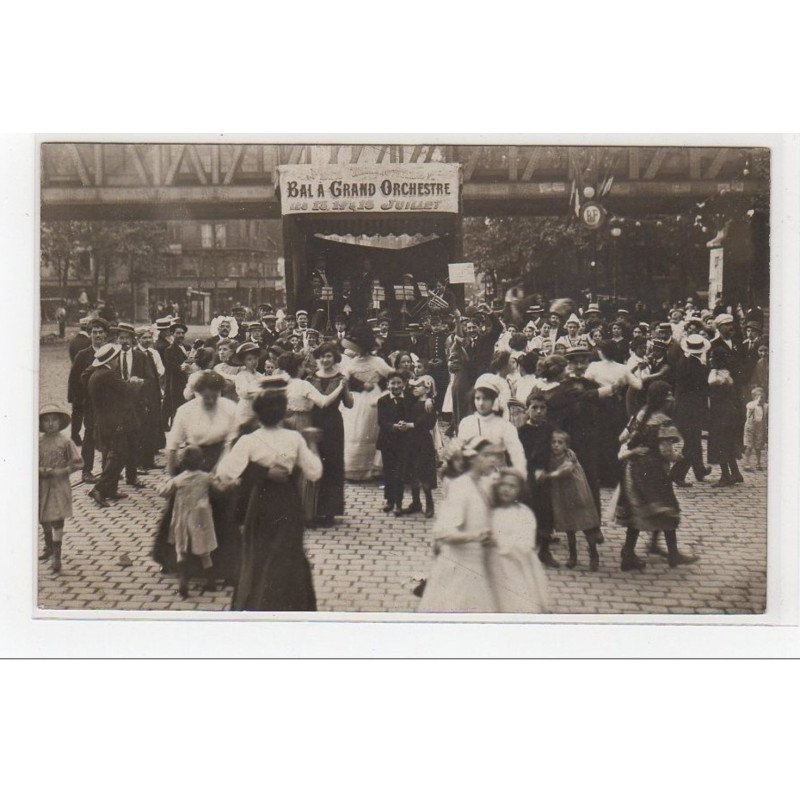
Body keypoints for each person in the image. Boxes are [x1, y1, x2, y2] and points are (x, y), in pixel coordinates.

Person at [215, 381, 322, 611]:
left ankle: (258, 604)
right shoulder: (295, 438)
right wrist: (312, 445)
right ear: (285, 411)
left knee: (259, 554)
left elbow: (224, 473)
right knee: (287, 553)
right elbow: (314, 473)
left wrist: (258, 471)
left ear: (257, 412)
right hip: (289, 503)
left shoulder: (249, 441)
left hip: (260, 503)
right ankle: (290, 606)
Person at [152, 370, 239, 584]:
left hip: (221, 458)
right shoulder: (185, 411)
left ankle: (224, 564)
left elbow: (231, 442)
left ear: (220, 393)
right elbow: (172, 445)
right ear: (196, 393)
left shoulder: (230, 408)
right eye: (205, 396)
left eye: (214, 396)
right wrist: (171, 472)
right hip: (193, 459)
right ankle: (173, 559)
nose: (210, 400)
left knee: (222, 509)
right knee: (181, 511)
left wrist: (220, 469)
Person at [417, 438, 502, 613]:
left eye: (495, 455)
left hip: (479, 565)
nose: (493, 460)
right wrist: (476, 536)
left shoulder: (483, 484)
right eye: (486, 455)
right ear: (472, 458)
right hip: (459, 568)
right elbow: (443, 532)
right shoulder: (461, 486)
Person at [616, 414, 696, 570]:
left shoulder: (638, 415)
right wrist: (677, 457)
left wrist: (635, 450)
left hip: (633, 470)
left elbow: (622, 437)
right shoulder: (663, 421)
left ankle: (630, 551)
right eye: (668, 395)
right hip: (654, 471)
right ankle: (672, 555)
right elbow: (666, 451)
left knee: (639, 509)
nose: (671, 398)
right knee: (667, 509)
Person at [278, 350, 347, 525]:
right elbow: (323, 402)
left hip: (286, 422)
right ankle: (307, 513)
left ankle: (290, 511)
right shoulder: (303, 385)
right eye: (302, 365)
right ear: (298, 367)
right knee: (307, 465)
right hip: (303, 423)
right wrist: (340, 387)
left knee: (291, 465)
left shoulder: (282, 383)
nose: (304, 368)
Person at [86, 344, 144, 507]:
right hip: (114, 422)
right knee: (118, 454)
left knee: (116, 454)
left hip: (105, 421)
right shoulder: (108, 374)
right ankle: (99, 488)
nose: (118, 360)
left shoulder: (98, 374)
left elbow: (114, 393)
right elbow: (126, 391)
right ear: (111, 360)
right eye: (116, 357)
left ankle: (111, 489)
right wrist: (135, 383)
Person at [484, 469, 550, 612]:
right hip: (493, 567)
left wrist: (499, 542)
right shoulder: (491, 513)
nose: (507, 489)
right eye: (503, 485)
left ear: (520, 491)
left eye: (512, 486)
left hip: (516, 567)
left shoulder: (524, 513)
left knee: (516, 602)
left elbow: (526, 544)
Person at [157, 445, 218, 598]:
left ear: (181, 464)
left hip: (182, 518)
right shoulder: (206, 477)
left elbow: (163, 492)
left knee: (181, 549)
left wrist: (163, 482)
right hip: (201, 518)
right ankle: (210, 580)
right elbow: (219, 487)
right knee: (205, 551)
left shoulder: (178, 480)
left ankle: (183, 580)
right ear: (202, 461)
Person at [537, 430, 601, 571]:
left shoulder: (570, 456)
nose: (556, 445)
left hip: (577, 495)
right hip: (563, 497)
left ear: (566, 445)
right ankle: (573, 556)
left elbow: (564, 471)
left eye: (560, 442)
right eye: (553, 442)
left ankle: (594, 554)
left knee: (586, 525)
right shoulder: (549, 456)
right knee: (569, 527)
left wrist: (547, 476)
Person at [586, 339, 643, 487]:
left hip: (598, 405)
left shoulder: (594, 366)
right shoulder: (623, 368)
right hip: (616, 406)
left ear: (601, 352)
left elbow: (585, 383)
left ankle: (599, 475)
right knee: (614, 440)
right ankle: (612, 476)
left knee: (599, 439)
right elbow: (638, 384)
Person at [309, 342, 353, 526]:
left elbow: (349, 404)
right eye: (323, 356)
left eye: (329, 356)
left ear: (335, 358)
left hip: (333, 424)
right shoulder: (310, 378)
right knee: (315, 463)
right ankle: (314, 509)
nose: (326, 360)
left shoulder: (341, 378)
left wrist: (346, 389)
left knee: (333, 464)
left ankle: (330, 511)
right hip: (314, 423)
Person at [340, 325, 392, 481]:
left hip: (372, 400)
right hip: (354, 400)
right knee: (353, 430)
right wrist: (358, 385)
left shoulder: (377, 361)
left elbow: (391, 374)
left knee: (368, 429)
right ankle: (353, 468)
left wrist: (383, 388)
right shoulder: (353, 361)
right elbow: (344, 379)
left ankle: (371, 468)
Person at [39, 404, 83, 573]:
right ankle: (48, 545)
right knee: (43, 517)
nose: (50, 424)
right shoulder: (38, 442)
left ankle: (57, 554)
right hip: (42, 484)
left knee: (57, 517)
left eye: (54, 420)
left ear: (60, 422)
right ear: (41, 424)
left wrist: (62, 471)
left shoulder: (65, 442)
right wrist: (41, 470)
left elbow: (78, 463)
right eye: (46, 421)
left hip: (59, 485)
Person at [518, 390, 559, 568]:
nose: (539, 412)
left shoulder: (550, 429)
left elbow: (556, 449)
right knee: (528, 509)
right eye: (534, 408)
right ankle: (526, 550)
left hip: (546, 475)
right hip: (528, 475)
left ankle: (545, 550)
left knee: (546, 511)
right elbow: (519, 455)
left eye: (543, 408)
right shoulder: (522, 432)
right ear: (527, 410)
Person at [456, 377, 527, 475]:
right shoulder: (466, 423)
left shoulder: (505, 426)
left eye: (486, 399)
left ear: (494, 400)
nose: (481, 403)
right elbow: (460, 452)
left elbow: (517, 455)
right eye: (478, 398)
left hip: (498, 478)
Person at [67, 317, 108, 481]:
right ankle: (86, 471)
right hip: (90, 404)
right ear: (90, 334)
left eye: (100, 332)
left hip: (108, 403)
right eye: (94, 332)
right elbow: (74, 379)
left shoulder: (111, 352)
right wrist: (82, 399)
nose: (97, 335)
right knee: (90, 435)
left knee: (108, 435)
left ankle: (108, 470)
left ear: (105, 335)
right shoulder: (83, 355)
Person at [670, 334, 712, 486]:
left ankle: (699, 469)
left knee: (694, 441)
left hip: (683, 408)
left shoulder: (683, 362)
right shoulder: (699, 367)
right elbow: (705, 387)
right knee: (692, 444)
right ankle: (677, 474)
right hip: (691, 410)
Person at [400, 375, 438, 519]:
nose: (414, 389)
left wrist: (430, 399)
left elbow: (428, 422)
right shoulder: (415, 401)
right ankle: (416, 502)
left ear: (427, 388)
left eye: (418, 386)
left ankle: (429, 502)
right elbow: (408, 393)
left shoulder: (429, 405)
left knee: (423, 471)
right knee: (412, 471)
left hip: (423, 442)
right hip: (411, 441)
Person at [708, 346, 745, 487]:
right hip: (728, 412)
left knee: (721, 442)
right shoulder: (725, 372)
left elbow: (711, 381)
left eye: (712, 357)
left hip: (722, 413)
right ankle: (735, 473)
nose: (710, 359)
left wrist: (713, 369)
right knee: (728, 442)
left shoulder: (720, 374)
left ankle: (725, 476)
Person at [377, 371, 411, 515]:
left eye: (399, 383)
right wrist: (393, 426)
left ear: (404, 385)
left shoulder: (409, 400)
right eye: (393, 383)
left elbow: (411, 415)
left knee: (399, 472)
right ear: (387, 385)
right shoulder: (383, 401)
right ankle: (389, 499)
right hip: (388, 441)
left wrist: (405, 424)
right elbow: (381, 421)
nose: (396, 386)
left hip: (403, 442)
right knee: (388, 471)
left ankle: (398, 502)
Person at [136, 326, 165, 469]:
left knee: (153, 426)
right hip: (142, 394)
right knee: (142, 428)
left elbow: (160, 370)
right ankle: (140, 461)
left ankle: (149, 460)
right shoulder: (136, 354)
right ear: (138, 339)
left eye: (149, 337)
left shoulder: (154, 353)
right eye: (144, 338)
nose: (147, 340)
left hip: (154, 391)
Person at [233, 342, 265, 435]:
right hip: (245, 410)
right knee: (244, 433)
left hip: (257, 410)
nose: (253, 362)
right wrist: (260, 391)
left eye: (255, 358)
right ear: (244, 362)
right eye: (249, 359)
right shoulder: (242, 375)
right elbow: (244, 393)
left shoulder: (260, 375)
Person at [162, 319, 190, 428]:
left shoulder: (187, 347)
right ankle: (175, 428)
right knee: (176, 405)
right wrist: (181, 367)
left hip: (186, 380)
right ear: (172, 334)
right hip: (175, 381)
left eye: (182, 333)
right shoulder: (169, 350)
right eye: (178, 333)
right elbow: (170, 366)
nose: (181, 335)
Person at [743, 386, 768, 471]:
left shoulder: (766, 406)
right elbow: (749, 408)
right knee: (748, 446)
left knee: (758, 447)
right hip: (750, 428)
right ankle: (746, 463)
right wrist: (757, 403)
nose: (761, 398)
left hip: (760, 429)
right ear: (754, 397)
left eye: (763, 396)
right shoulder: (751, 404)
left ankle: (758, 463)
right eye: (759, 396)